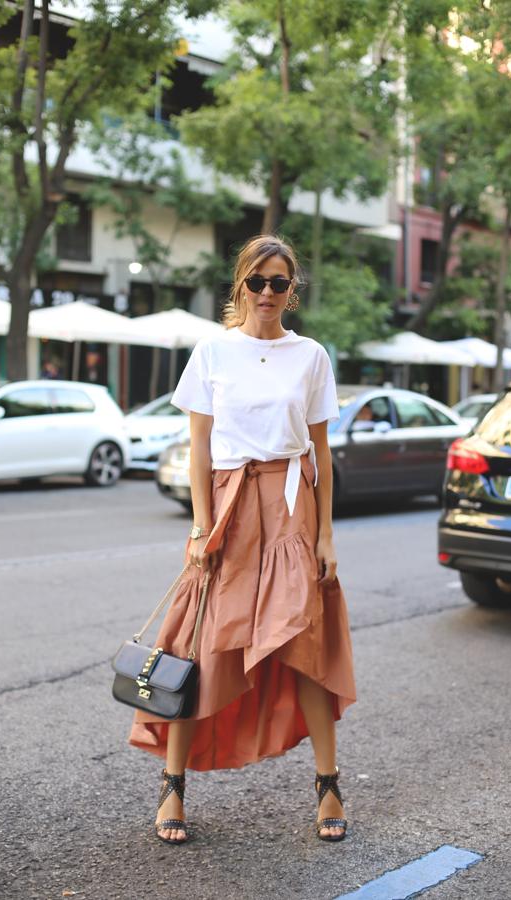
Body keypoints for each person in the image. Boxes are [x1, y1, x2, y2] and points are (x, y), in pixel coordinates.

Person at [129, 235, 357, 845]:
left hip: (290, 504)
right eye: (257, 282)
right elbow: (199, 449)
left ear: (292, 292)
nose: (267, 293)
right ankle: (173, 788)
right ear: (240, 287)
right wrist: (201, 525)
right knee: (201, 641)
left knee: (305, 639)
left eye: (279, 283)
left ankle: (328, 785)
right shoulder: (212, 352)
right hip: (229, 506)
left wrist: (327, 535)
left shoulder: (310, 356)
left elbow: (322, 454)